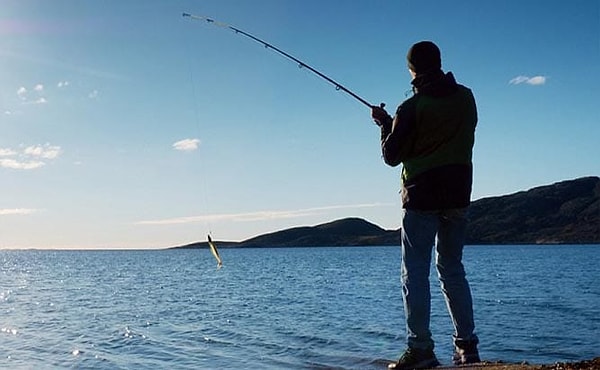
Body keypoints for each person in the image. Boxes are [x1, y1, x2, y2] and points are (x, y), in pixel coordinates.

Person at [371, 41, 480, 369]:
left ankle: (421, 350)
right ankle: (467, 348)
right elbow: (444, 134)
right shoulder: (466, 98)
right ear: (439, 63)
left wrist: (385, 127)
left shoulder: (411, 108)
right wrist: (396, 124)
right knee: (452, 268)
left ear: (412, 69)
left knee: (415, 273)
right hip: (459, 193)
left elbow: (392, 156)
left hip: (421, 196)